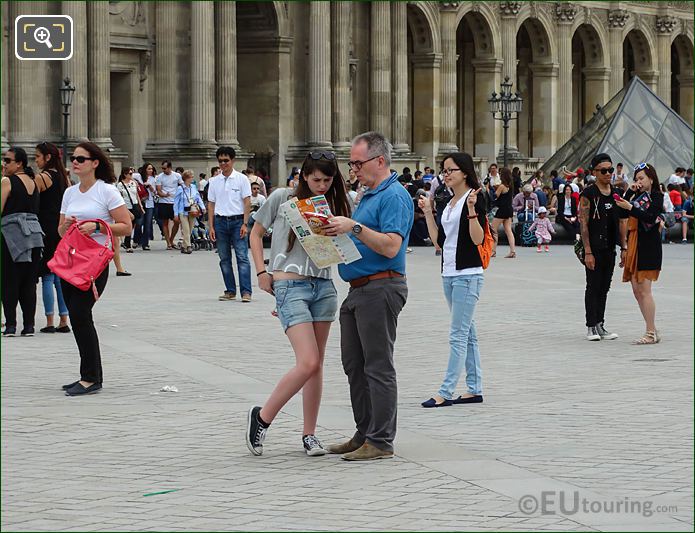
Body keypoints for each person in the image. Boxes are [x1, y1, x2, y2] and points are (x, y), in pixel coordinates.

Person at [245, 151, 352, 457]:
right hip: (289, 283)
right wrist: (262, 272)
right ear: (304, 175)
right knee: (307, 361)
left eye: (327, 180)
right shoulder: (281, 197)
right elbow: (255, 233)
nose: (321, 185)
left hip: (324, 284)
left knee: (316, 364)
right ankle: (263, 417)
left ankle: (310, 434)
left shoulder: (334, 205)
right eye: (316, 179)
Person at [321, 132, 413, 461]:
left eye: (357, 163)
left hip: (381, 287)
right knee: (354, 365)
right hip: (359, 288)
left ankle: (381, 440)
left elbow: (390, 246)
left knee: (377, 367)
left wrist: (354, 228)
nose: (354, 170)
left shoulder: (395, 196)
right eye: (352, 164)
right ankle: (365, 433)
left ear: (379, 161)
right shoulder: (369, 196)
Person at [58, 142, 132, 395]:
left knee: (80, 314)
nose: (75, 162)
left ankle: (91, 378)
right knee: (77, 317)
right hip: (70, 262)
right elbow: (60, 231)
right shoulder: (70, 193)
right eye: (73, 158)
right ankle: (87, 374)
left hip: (94, 264)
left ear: (95, 163)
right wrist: (67, 225)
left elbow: (126, 225)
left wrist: (98, 227)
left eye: (80, 158)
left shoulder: (107, 192)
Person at [418, 152, 486, 408]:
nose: (446, 175)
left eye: (451, 170)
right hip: (449, 273)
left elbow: (478, 239)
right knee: (467, 334)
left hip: (468, 275)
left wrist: (471, 211)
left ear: (465, 172)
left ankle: (446, 391)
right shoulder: (449, 202)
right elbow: (439, 242)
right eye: (444, 171)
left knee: (458, 334)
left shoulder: (474, 198)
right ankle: (475, 388)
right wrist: (428, 213)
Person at [579, 153, 627, 342]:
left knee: (605, 287)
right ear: (594, 172)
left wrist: (624, 247)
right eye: (604, 170)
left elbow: (623, 222)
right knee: (593, 286)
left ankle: (600, 323)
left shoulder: (616, 194)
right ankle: (591, 326)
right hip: (594, 248)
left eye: (610, 170)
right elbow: (583, 224)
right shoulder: (588, 194)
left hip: (610, 248)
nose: (608, 173)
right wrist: (588, 251)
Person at [614, 163, 663, 344]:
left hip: (649, 245)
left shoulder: (657, 196)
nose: (639, 182)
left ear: (651, 178)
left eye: (642, 178)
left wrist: (631, 207)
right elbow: (621, 212)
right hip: (634, 243)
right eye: (636, 179)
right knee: (636, 291)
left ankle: (650, 332)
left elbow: (650, 216)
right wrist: (628, 194)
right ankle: (652, 328)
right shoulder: (636, 195)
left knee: (644, 289)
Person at [1, 147, 42, 337]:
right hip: (34, 235)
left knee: (9, 280)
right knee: (28, 282)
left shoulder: (7, 181)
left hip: (12, 235)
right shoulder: (33, 182)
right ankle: (29, 326)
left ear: (19, 163)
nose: (4, 164)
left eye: (7, 160)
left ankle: (10, 325)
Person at [34, 142, 71, 334]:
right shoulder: (65, 178)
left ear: (47, 157)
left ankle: (49, 320)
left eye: (37, 156)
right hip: (61, 229)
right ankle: (64, 319)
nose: (36, 160)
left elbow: (31, 200)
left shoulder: (43, 177)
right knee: (59, 276)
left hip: (46, 229)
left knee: (48, 275)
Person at [208, 146, 252, 302]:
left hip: (237, 220)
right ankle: (230, 290)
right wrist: (211, 226)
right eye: (220, 161)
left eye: (226, 160)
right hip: (220, 221)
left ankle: (246, 291)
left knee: (242, 257)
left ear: (233, 160)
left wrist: (245, 224)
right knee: (224, 258)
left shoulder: (242, 179)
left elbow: (247, 202)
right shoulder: (213, 181)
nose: (223, 164)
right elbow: (211, 204)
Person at [174, 170, 206, 254]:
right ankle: (188, 246)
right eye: (191, 177)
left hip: (192, 210)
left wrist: (202, 207)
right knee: (186, 229)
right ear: (186, 178)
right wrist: (175, 214)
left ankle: (184, 246)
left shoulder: (193, 187)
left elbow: (198, 198)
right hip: (183, 211)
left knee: (191, 228)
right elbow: (176, 202)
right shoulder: (180, 188)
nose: (192, 178)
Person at [155, 160, 183, 250]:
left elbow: (182, 185)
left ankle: (171, 239)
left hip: (174, 201)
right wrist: (164, 195)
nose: (163, 170)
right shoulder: (159, 177)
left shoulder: (177, 176)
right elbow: (158, 190)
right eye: (162, 168)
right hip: (164, 202)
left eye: (165, 168)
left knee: (177, 221)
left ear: (170, 168)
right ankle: (168, 243)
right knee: (165, 222)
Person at [490, 167, 516, 259]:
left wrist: (490, 189)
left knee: (493, 229)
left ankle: (493, 251)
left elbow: (495, 196)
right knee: (508, 230)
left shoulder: (501, 186)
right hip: (509, 209)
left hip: (502, 210)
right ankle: (512, 251)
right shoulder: (511, 186)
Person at [117, 168, 144, 253]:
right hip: (126, 206)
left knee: (134, 224)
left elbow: (136, 195)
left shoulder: (133, 183)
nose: (132, 175)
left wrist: (141, 206)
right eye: (130, 174)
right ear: (125, 174)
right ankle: (128, 244)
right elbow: (119, 197)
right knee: (129, 224)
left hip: (135, 205)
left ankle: (127, 241)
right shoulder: (120, 185)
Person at [136, 162, 156, 250]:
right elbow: (130, 176)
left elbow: (155, 192)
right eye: (149, 169)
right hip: (140, 202)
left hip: (149, 203)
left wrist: (150, 186)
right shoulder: (138, 177)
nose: (150, 171)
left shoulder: (153, 179)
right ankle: (137, 240)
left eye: (151, 169)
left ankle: (145, 243)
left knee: (148, 224)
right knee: (139, 223)